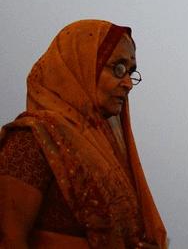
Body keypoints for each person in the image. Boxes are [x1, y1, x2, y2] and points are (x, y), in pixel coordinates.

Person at [0, 20, 167, 249]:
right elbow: (9, 237)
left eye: (131, 72)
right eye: (118, 68)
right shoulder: (33, 139)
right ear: (80, 64)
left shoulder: (110, 158)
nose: (128, 83)